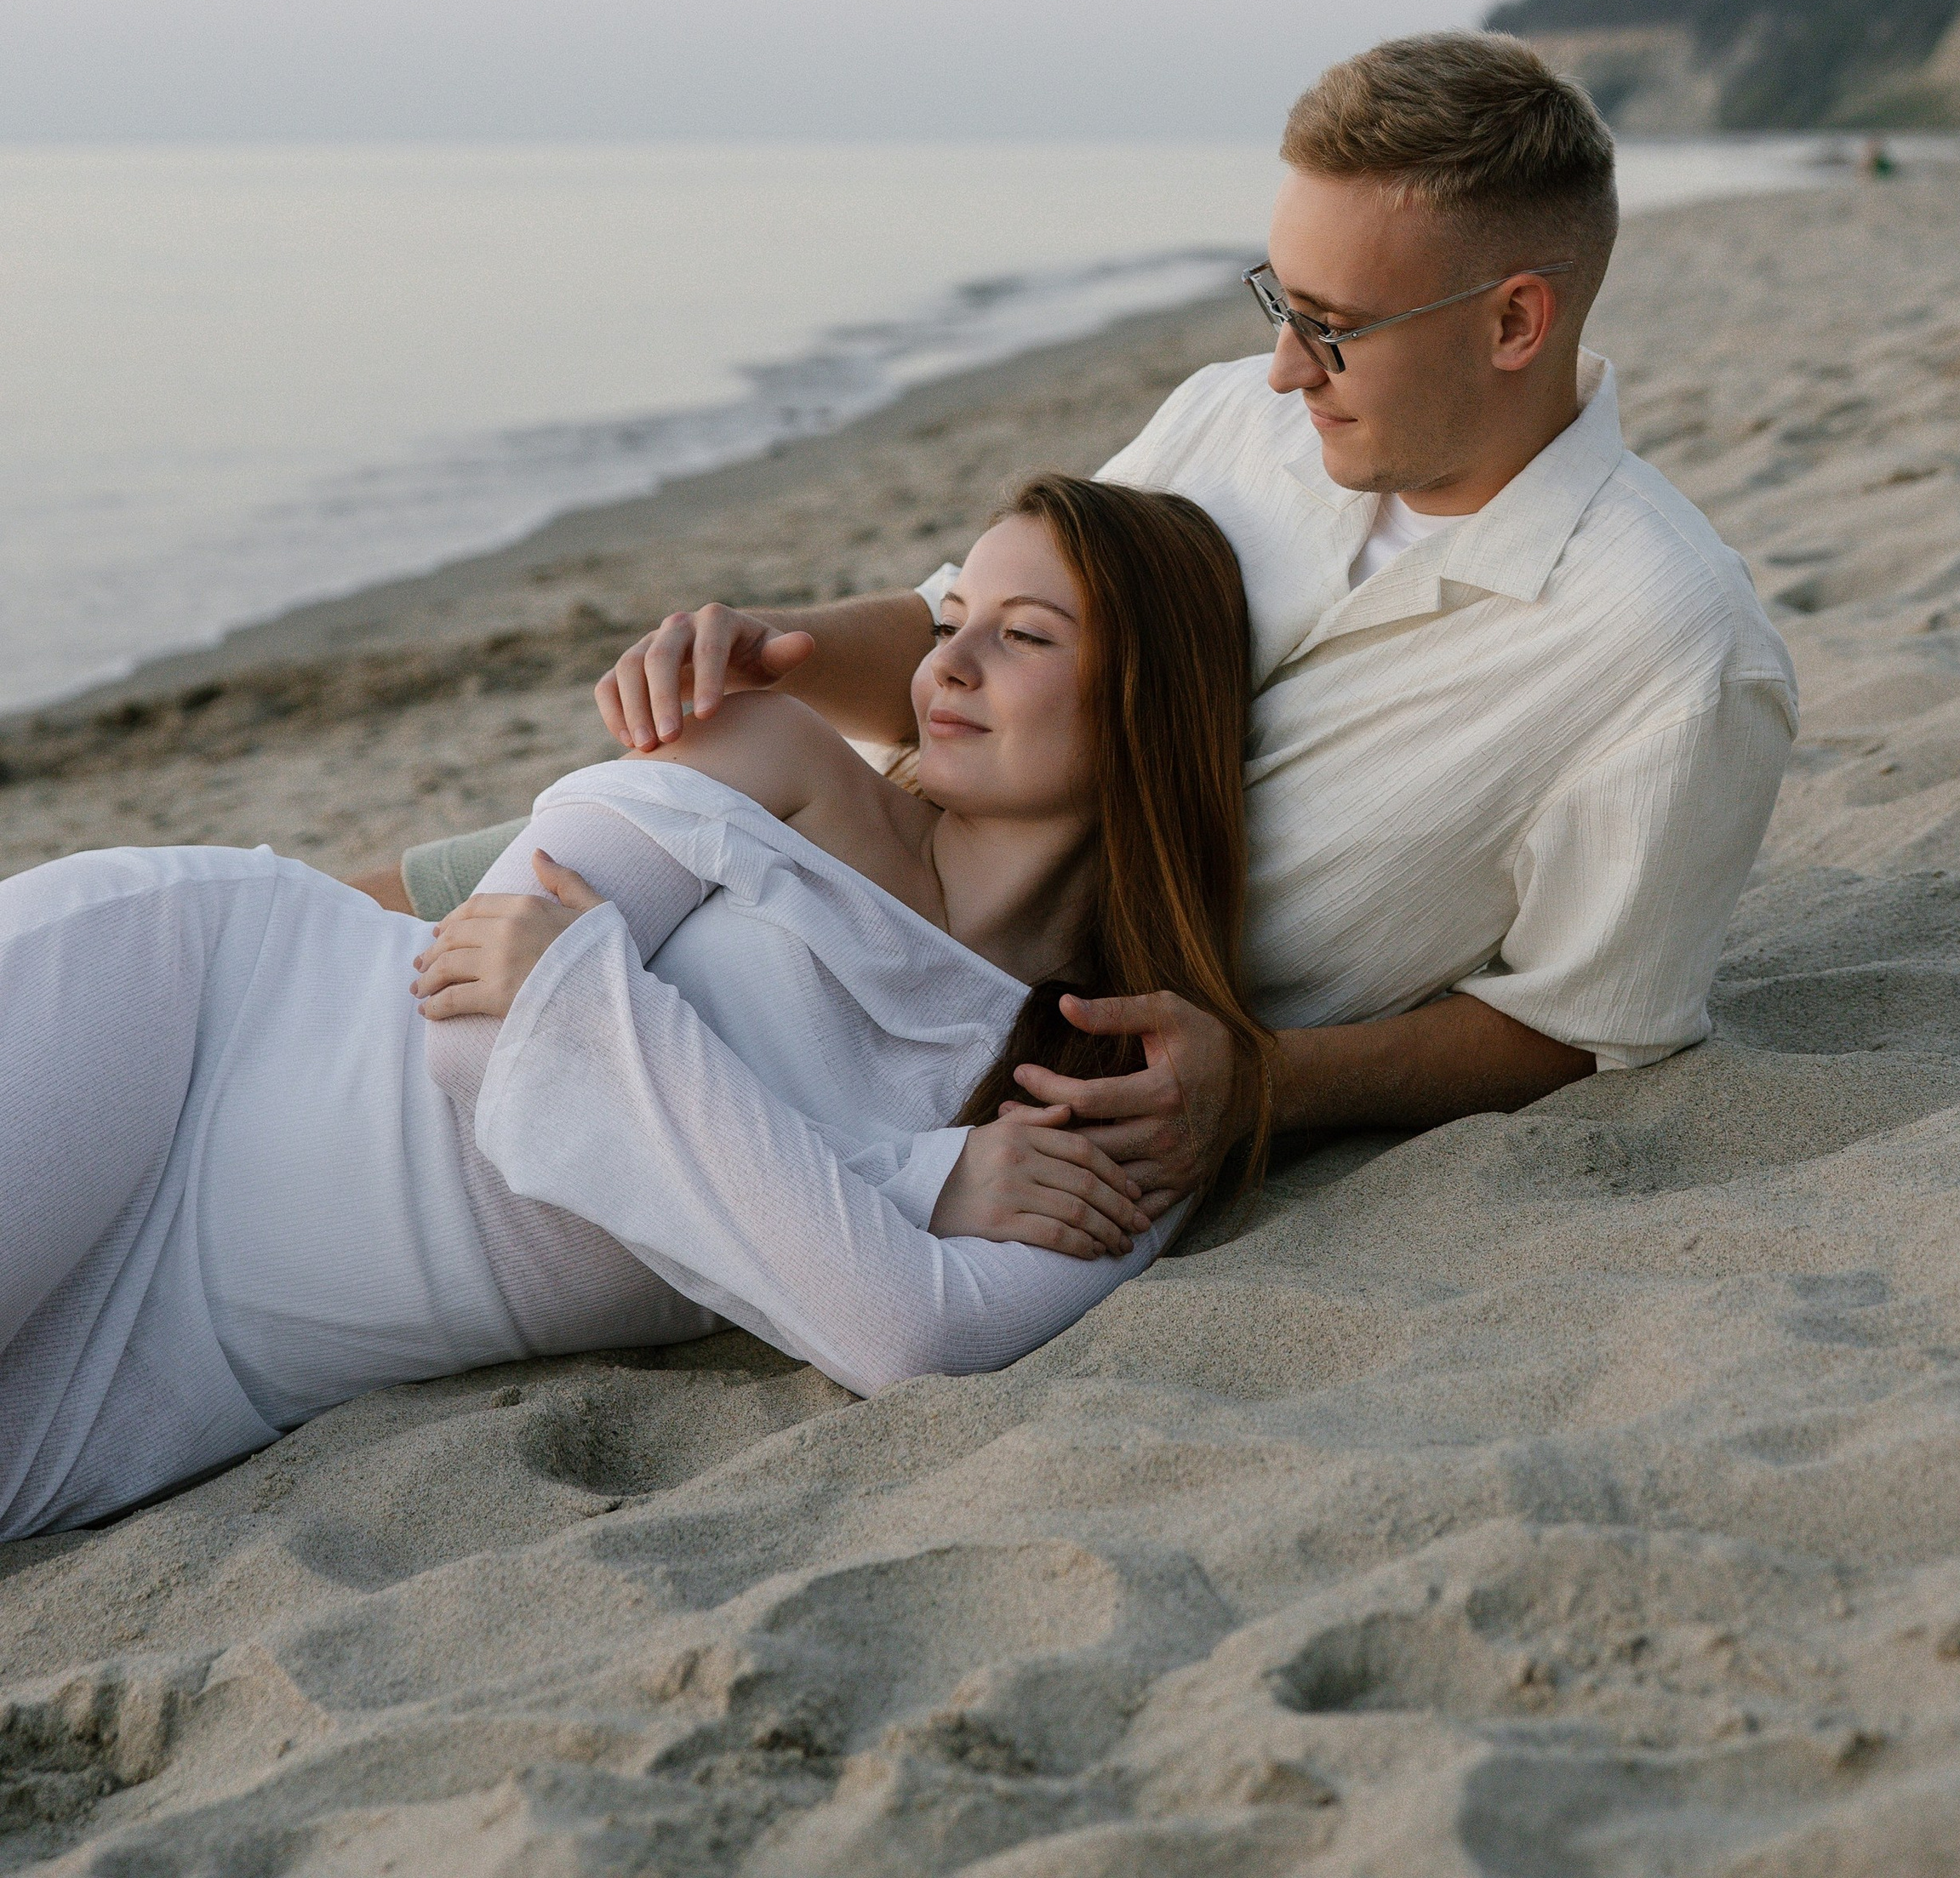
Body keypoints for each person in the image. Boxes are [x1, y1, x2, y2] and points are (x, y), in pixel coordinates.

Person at [383, 33, 1800, 1207]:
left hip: (941, 1066)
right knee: (333, 917)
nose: (1283, 368)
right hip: (808, 856)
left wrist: (1262, 1082)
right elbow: (965, 638)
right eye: (1275, 300)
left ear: (1513, 323)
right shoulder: (1225, 422)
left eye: (1333, 325)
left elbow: (1587, 1021)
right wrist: (775, 647)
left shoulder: (1672, 648)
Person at [0, 479, 1266, 1538]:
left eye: (1023, 635)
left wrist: (582, 990)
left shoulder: (1114, 1079)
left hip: (221, 1364)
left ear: (1148, 704)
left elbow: (909, 1330)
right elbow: (471, 1014)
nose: (947, 663)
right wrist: (912, 1180)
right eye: (953, 619)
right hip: (188, 1029)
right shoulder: (779, 752)